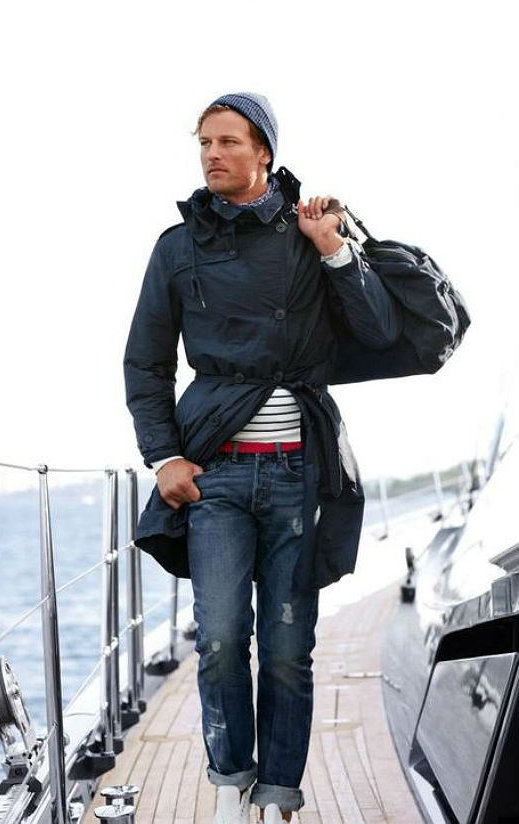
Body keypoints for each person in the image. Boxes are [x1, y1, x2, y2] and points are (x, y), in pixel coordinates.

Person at [124, 92, 403, 824]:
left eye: (228, 142)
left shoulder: (310, 234)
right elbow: (146, 361)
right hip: (214, 474)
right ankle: (230, 782)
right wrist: (163, 458)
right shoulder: (177, 248)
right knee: (220, 640)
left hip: (296, 475)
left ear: (264, 154)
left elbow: (377, 330)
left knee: (285, 647)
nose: (212, 155)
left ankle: (277, 796)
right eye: (204, 144)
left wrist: (334, 250)